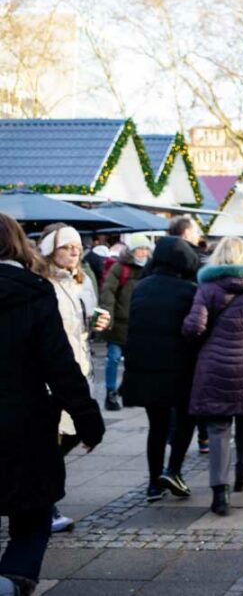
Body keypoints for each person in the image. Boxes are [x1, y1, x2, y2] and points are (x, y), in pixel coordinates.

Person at [0, 214, 105, 595]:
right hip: (21, 423)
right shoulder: (33, 291)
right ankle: (10, 583)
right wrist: (88, 420)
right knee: (31, 519)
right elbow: (59, 366)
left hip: (21, 421)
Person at [183, 237, 243, 516]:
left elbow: (194, 327)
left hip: (215, 365)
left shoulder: (207, 288)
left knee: (217, 428)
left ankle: (219, 491)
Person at [38, 224, 108, 534]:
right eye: (67, 247)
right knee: (49, 444)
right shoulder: (42, 283)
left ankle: (41, 499)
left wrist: (98, 322)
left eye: (78, 246)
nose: (75, 251)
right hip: (53, 374)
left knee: (72, 435)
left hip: (81, 369)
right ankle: (45, 506)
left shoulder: (83, 282)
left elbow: (85, 325)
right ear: (49, 250)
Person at [122, 236, 201, 504]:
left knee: (157, 426)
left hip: (145, 368)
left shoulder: (141, 287)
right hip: (180, 368)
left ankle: (154, 483)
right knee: (186, 420)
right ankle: (174, 470)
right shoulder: (189, 290)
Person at [99, 233, 152, 411]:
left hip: (138, 323)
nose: (144, 252)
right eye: (140, 249)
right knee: (113, 358)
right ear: (132, 251)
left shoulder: (149, 269)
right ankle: (110, 393)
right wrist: (108, 318)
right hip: (119, 322)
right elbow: (108, 293)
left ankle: (127, 390)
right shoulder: (119, 268)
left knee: (134, 360)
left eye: (146, 249)